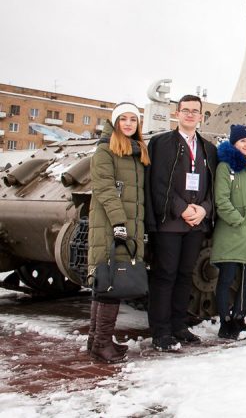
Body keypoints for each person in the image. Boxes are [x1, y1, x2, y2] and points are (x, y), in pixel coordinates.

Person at [145, 94, 218, 352]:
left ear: (201, 116)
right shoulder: (161, 143)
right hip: (170, 222)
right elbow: (157, 183)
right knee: (165, 276)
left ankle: (179, 326)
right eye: (185, 110)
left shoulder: (208, 148)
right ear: (177, 113)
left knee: (185, 276)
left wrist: (204, 209)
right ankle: (161, 331)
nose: (189, 114)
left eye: (194, 111)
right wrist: (182, 208)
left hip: (196, 223)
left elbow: (213, 186)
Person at [87, 103, 150, 363]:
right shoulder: (105, 150)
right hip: (111, 225)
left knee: (105, 283)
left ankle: (96, 340)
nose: (127, 124)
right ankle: (102, 343)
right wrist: (118, 223)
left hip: (125, 224)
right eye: (122, 119)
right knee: (111, 283)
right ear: (114, 123)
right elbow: (105, 189)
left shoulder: (134, 153)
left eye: (132, 120)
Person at [211, 124, 246, 339]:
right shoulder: (226, 167)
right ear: (234, 143)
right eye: (243, 141)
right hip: (233, 231)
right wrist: (238, 220)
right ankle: (225, 322)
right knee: (227, 277)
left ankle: (239, 317)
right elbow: (221, 199)